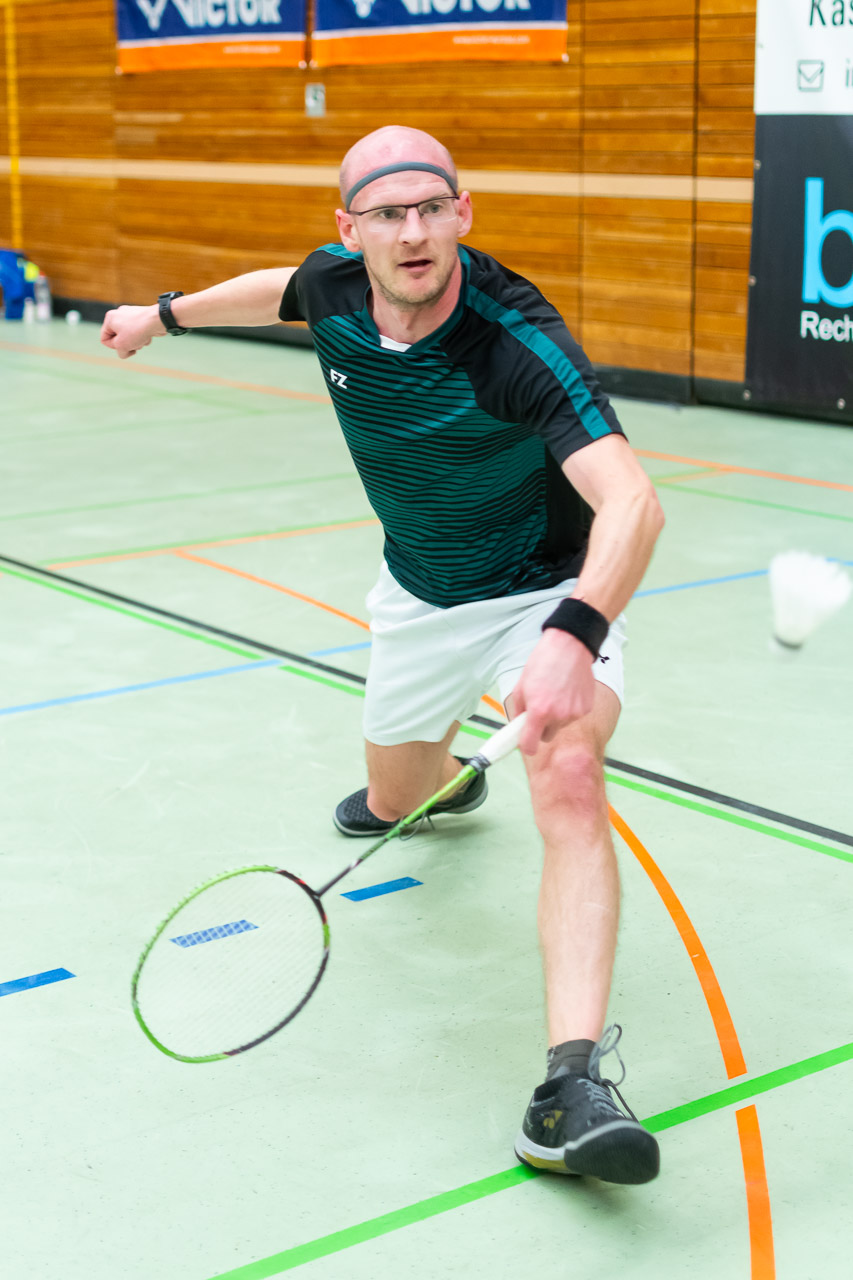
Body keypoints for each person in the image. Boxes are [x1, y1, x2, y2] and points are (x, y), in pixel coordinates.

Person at [101, 125, 665, 1186]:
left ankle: (569, 1087)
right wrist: (160, 317)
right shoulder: (335, 287)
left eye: (430, 209)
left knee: (568, 769)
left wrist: (573, 633)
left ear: (462, 214)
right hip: (418, 595)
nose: (412, 234)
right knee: (395, 797)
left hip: (544, 592)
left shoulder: (514, 342)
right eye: (387, 215)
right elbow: (277, 290)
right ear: (349, 229)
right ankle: (445, 782)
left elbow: (632, 503)